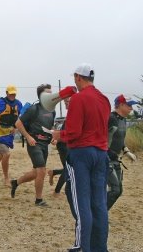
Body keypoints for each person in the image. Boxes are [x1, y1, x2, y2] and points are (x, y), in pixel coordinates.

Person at [52, 63, 111, 252]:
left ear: (78, 77)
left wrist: (58, 135)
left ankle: (82, 247)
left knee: (82, 203)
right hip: (101, 154)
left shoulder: (78, 99)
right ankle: (100, 247)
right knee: (99, 204)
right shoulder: (104, 99)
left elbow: (74, 132)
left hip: (82, 154)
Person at [10, 84, 56, 206]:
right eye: (48, 93)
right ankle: (39, 200)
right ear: (41, 96)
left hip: (45, 144)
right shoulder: (34, 109)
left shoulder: (52, 111)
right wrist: (28, 137)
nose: (51, 95)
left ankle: (16, 182)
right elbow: (18, 123)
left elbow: (49, 127)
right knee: (41, 170)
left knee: (36, 172)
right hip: (34, 142)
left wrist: (53, 137)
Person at [107, 94, 138, 210]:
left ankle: (100, 215)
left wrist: (126, 151)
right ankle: (98, 217)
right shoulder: (110, 118)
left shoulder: (123, 120)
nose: (131, 108)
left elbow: (119, 138)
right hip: (106, 159)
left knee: (119, 191)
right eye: (129, 105)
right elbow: (101, 138)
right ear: (120, 105)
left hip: (115, 159)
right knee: (114, 190)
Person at [47, 97, 70, 197]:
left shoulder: (73, 113)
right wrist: (56, 139)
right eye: (65, 102)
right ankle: (56, 191)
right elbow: (64, 133)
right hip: (63, 145)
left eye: (67, 102)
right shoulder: (70, 115)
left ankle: (54, 172)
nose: (65, 104)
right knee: (68, 169)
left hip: (68, 145)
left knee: (69, 168)